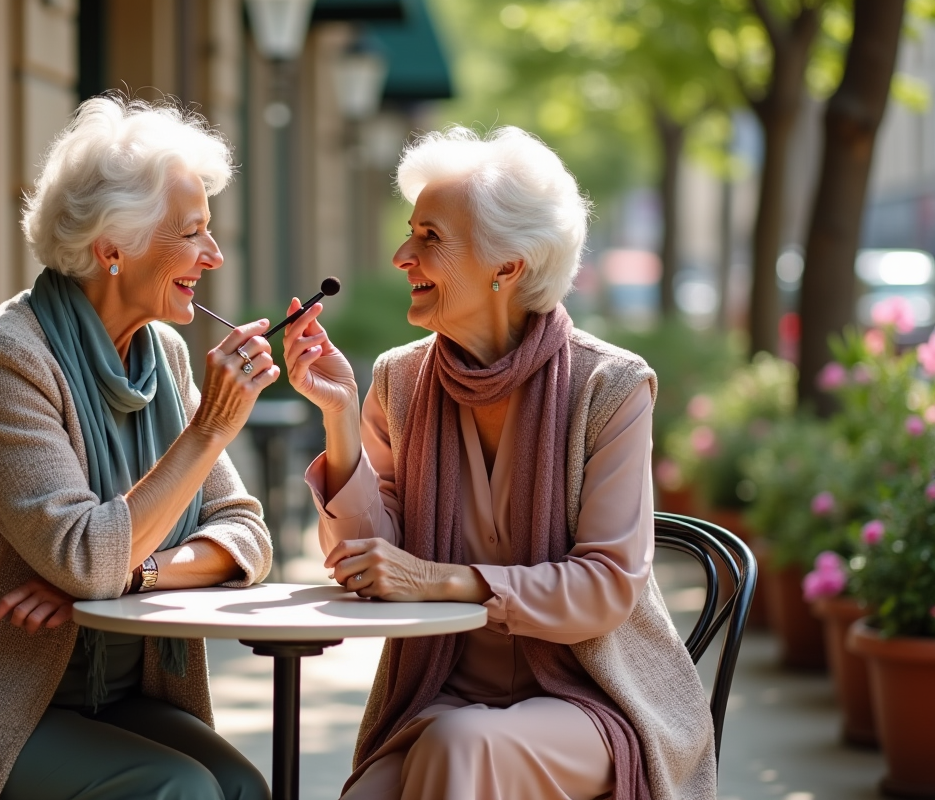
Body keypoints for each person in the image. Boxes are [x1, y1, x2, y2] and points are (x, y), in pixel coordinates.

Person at [281, 126, 716, 800]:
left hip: (595, 701)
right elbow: (369, 566)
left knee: (459, 750)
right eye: (409, 232)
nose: (402, 255)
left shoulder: (610, 387)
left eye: (429, 238)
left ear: (507, 266)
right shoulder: (398, 381)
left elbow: (604, 587)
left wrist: (441, 580)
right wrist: (338, 418)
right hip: (442, 695)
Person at [0, 95, 275, 800]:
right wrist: (208, 430)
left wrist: (137, 571)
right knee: (178, 791)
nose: (214, 255)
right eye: (193, 234)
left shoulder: (164, 355)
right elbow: (84, 557)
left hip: (110, 695)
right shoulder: (6, 359)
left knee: (241, 787)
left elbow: (245, 534)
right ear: (114, 248)